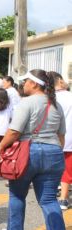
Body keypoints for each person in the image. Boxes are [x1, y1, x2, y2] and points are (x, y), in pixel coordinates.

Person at [0, 69, 66, 230]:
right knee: (49, 200)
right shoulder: (56, 105)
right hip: (54, 152)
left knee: (17, 196)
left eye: (26, 81)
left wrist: (0, 147)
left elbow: (14, 132)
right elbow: (61, 137)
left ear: (35, 84)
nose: (23, 84)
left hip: (28, 153)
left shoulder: (26, 103)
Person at [50, 71, 72, 210]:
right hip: (70, 137)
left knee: (52, 168)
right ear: (59, 80)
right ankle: (63, 198)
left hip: (52, 137)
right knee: (67, 169)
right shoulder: (70, 96)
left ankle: (51, 194)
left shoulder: (50, 99)